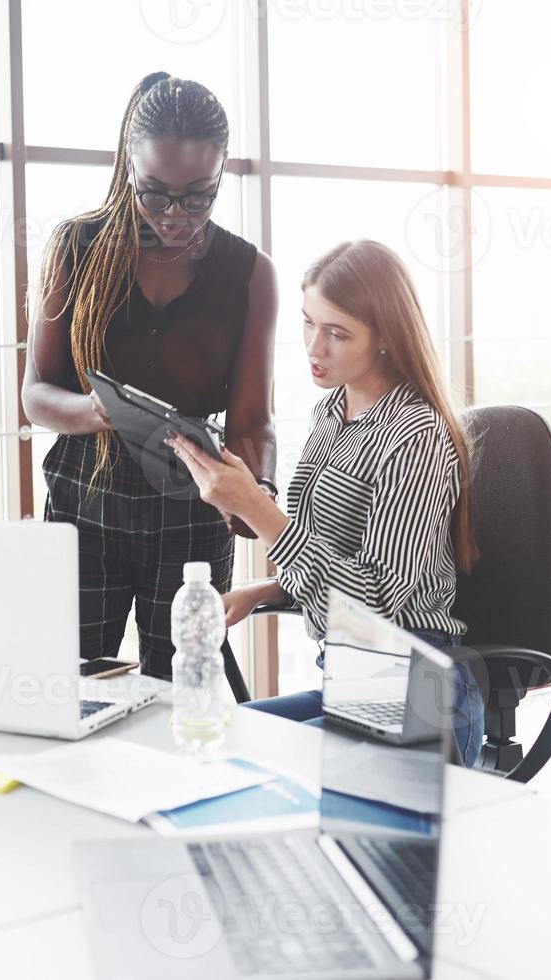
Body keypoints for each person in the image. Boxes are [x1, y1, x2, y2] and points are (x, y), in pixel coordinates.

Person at [168, 239, 486, 767]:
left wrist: (259, 511)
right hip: (351, 682)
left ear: (385, 337)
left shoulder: (417, 435)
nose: (315, 348)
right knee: (209, 743)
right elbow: (334, 559)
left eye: (337, 334)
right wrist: (263, 590)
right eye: (308, 324)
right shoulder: (330, 413)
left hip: (417, 692)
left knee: (249, 766)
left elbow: (376, 602)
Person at [21, 72, 277, 682]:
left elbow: (253, 420)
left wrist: (252, 492)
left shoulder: (248, 273)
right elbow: (35, 395)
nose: (175, 215)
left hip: (191, 508)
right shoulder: (76, 247)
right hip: (86, 502)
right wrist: (99, 412)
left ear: (221, 176)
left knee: (184, 692)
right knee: (75, 688)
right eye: (154, 194)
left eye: (199, 196)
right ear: (126, 170)